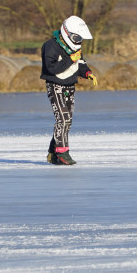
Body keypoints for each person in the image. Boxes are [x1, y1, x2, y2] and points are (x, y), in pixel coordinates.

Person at [40, 15, 97, 165]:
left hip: (69, 86)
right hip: (55, 86)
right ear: (67, 33)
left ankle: (53, 152)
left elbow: (81, 63)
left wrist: (87, 73)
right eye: (76, 38)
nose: (78, 42)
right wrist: (70, 59)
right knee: (63, 119)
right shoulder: (50, 46)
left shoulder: (74, 49)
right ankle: (62, 153)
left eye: (80, 39)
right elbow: (52, 68)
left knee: (67, 121)